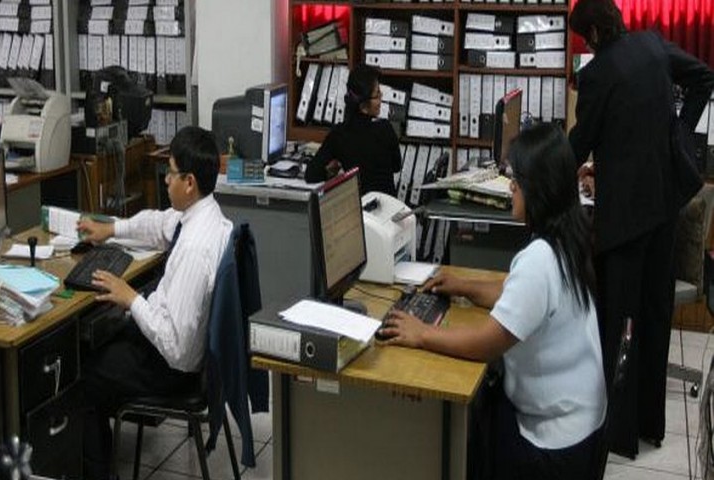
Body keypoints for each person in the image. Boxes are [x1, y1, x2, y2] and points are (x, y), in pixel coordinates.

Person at [380, 124, 606, 480]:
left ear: (540, 188)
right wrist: (465, 286)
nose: (511, 186)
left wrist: (421, 333)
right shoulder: (567, 238)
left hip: (554, 448)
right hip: (583, 428)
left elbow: (485, 344)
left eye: (517, 179)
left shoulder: (540, 260)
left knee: (471, 412)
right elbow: (523, 301)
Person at [567, 0, 714, 457]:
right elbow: (704, 77)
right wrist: (678, 134)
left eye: (584, 37)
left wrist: (542, 171)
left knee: (621, 321)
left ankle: (620, 434)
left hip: (626, 217)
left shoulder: (596, 74)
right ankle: (651, 424)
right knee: (653, 313)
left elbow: (581, 141)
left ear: (593, 32)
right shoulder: (652, 45)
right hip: (663, 205)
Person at [76, 126, 233, 480]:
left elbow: (177, 349)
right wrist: (111, 229)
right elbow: (158, 224)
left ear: (189, 182)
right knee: (101, 337)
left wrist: (131, 298)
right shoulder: (206, 215)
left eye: (171, 173)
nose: (165, 180)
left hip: (174, 371)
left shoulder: (194, 250)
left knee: (84, 374)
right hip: (182, 351)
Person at [304, 64, 402, 196]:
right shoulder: (385, 128)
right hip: (389, 206)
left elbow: (310, 175)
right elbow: (396, 167)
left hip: (359, 207)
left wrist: (331, 172)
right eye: (377, 94)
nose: (381, 96)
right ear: (363, 106)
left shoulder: (338, 135)